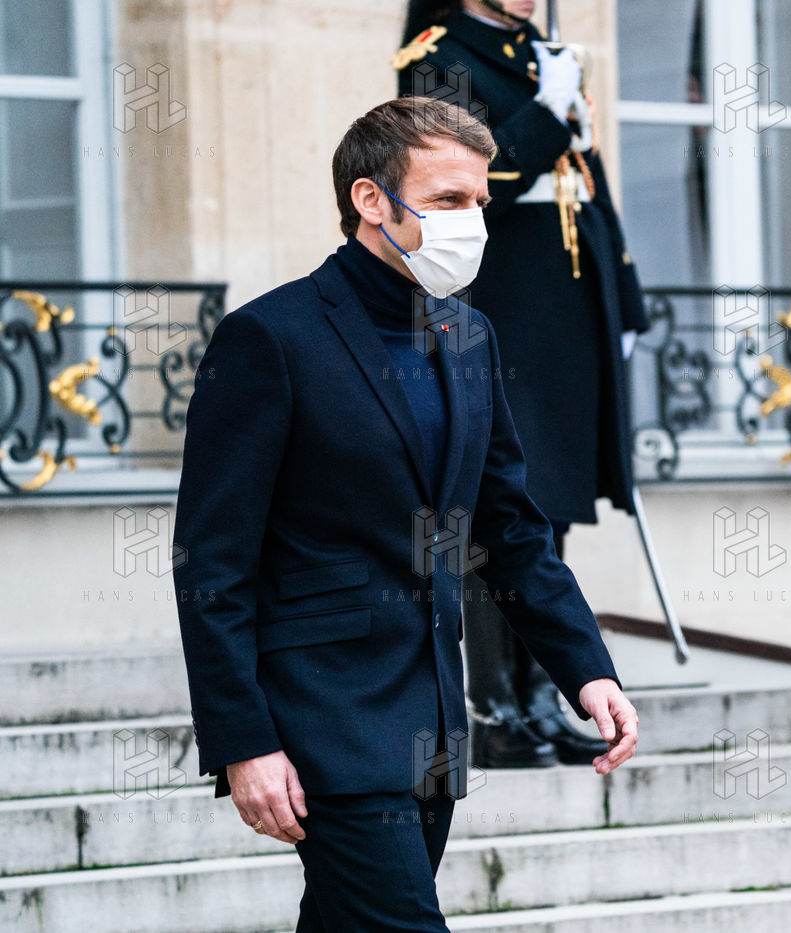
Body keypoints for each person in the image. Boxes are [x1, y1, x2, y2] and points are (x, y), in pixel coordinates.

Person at [172, 97, 639, 931]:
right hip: (324, 725)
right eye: (449, 199)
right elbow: (212, 564)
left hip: (431, 728)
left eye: (480, 201)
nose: (473, 222)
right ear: (370, 200)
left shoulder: (471, 335)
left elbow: (509, 527)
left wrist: (586, 668)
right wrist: (244, 740)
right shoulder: (269, 338)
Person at [394, 0, 651, 768]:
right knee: (500, 504)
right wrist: (545, 112)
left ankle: (543, 692)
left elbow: (590, 180)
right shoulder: (438, 59)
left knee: (551, 501)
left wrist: (624, 294)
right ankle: (495, 701)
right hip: (502, 296)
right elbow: (477, 181)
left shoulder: (545, 53)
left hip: (566, 304)